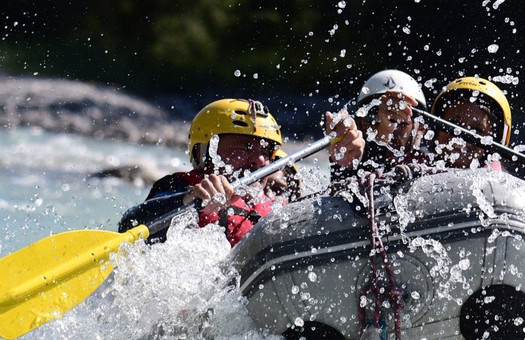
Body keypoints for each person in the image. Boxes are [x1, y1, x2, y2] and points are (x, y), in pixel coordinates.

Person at [120, 98, 363, 246]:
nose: (259, 160)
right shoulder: (180, 188)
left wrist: (343, 167)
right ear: (205, 152)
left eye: (266, 150)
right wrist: (188, 200)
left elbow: (345, 221)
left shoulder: (281, 196)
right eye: (244, 147)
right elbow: (129, 224)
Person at [427, 76, 511, 170]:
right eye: (454, 123)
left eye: (477, 130)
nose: (461, 137)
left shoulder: (499, 183)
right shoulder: (416, 168)